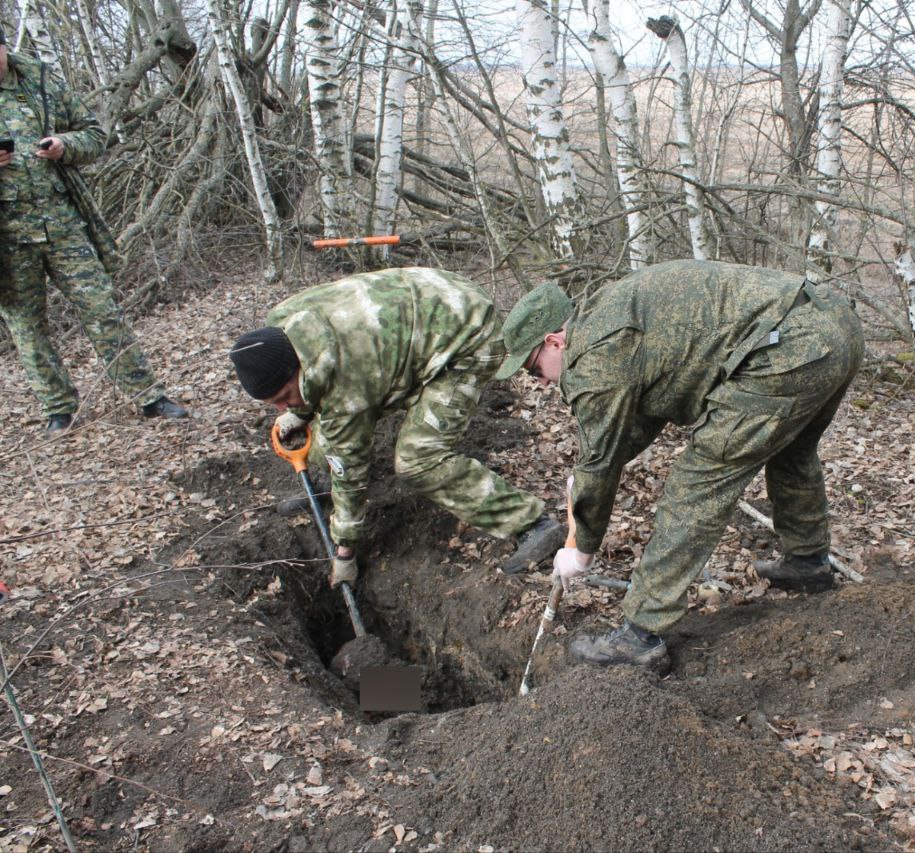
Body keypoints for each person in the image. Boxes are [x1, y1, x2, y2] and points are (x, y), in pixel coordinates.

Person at [497, 259, 863, 672]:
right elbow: (646, 406)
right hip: (832, 322)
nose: (540, 381)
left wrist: (582, 549)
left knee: (697, 485)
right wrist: (589, 473)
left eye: (533, 368)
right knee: (791, 451)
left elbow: (599, 458)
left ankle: (640, 635)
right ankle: (808, 563)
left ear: (554, 342)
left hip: (791, 347)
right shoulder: (610, 314)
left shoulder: (594, 357)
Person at [228, 268, 566, 588]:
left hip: (466, 339)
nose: (281, 408)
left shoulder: (347, 378)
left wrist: (344, 551)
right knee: (324, 425)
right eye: (273, 403)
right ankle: (325, 487)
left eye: (284, 396)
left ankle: (531, 524)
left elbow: (350, 464)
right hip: (425, 311)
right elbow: (315, 396)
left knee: (419, 460)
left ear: (294, 369)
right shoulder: (279, 330)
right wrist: (298, 412)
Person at [0, 26, 187, 434]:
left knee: (102, 309)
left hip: (63, 222)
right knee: (27, 327)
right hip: (8, 240)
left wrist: (65, 146)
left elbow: (94, 134)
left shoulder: (40, 81)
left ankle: (149, 397)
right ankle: (58, 408)